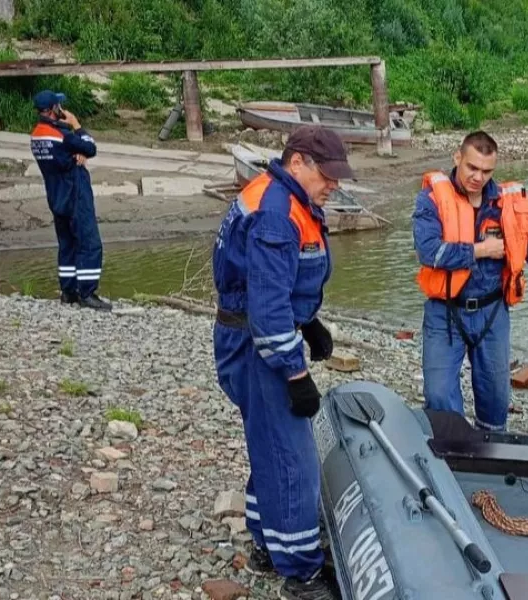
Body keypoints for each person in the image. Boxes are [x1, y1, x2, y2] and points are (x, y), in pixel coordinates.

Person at [211, 125, 353, 600]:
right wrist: (296, 373)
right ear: (298, 163)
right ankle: (301, 572)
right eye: (327, 174)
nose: (334, 184)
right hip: (257, 347)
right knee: (293, 459)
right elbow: (268, 313)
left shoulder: (282, 196)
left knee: (270, 446)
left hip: (249, 334)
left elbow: (281, 286)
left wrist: (308, 321)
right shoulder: (277, 214)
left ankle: (267, 544)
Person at [412, 130, 528, 431]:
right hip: (445, 313)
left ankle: (490, 452)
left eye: (486, 171)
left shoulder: (508, 206)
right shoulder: (431, 200)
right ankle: (451, 450)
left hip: (492, 313)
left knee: (496, 399)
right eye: (472, 168)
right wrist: (481, 250)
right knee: (439, 394)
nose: (478, 177)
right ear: (458, 158)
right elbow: (429, 252)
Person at [29, 89, 111, 311]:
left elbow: (69, 151)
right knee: (89, 244)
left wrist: (75, 150)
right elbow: (90, 147)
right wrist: (76, 124)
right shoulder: (63, 135)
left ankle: (68, 291)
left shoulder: (37, 135)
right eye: (59, 106)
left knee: (67, 244)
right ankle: (88, 293)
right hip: (75, 195)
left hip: (56, 196)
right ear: (55, 109)